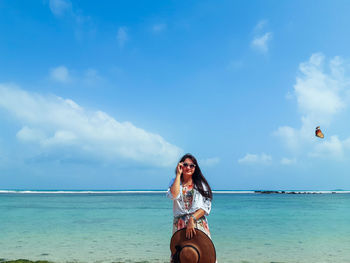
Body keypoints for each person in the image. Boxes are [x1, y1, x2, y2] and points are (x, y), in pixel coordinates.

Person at [167, 153, 213, 242]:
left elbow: (205, 207)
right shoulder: (175, 182)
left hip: (197, 223)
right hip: (180, 225)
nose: (188, 168)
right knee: (179, 254)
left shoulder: (201, 185)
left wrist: (192, 219)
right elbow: (174, 195)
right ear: (180, 166)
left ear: (195, 168)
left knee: (204, 253)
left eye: (192, 166)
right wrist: (178, 175)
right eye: (185, 165)